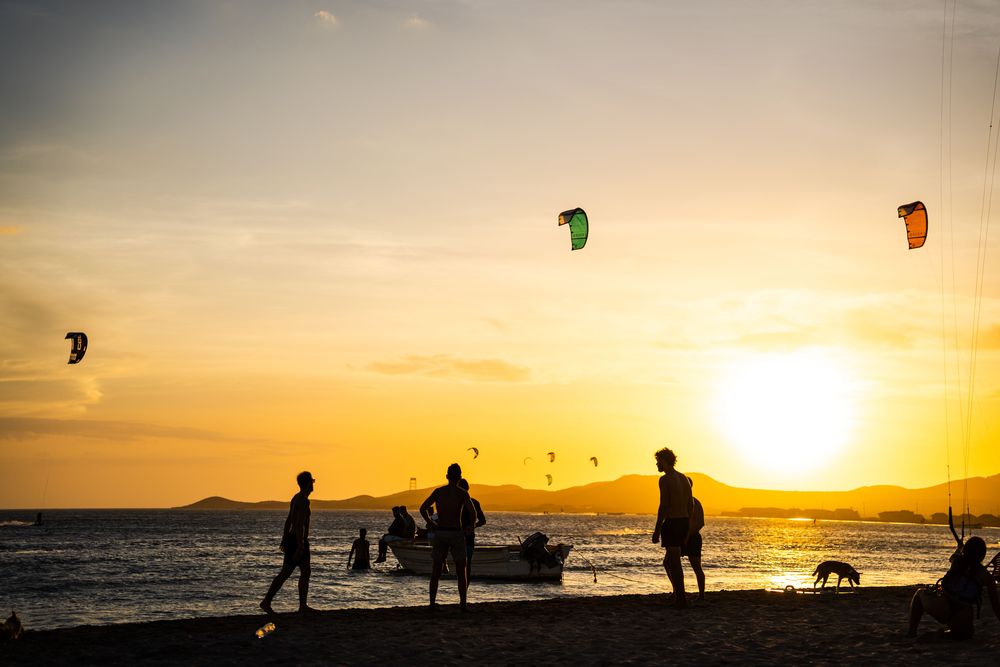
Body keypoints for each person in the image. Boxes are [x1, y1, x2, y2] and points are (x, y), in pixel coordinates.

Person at [908, 536, 1000, 639]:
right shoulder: (986, 576)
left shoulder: (957, 560)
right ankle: (946, 634)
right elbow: (996, 606)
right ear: (982, 555)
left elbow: (954, 556)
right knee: (967, 633)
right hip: (963, 616)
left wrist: (959, 546)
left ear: (966, 550)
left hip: (942, 607)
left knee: (919, 593)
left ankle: (912, 632)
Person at [420, 463, 476, 610]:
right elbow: (473, 512)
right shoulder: (462, 493)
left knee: (436, 570)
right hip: (456, 532)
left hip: (441, 532)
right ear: (460, 478)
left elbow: (423, 508)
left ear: (446, 476)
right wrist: (470, 526)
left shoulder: (439, 492)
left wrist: (430, 523)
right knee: (461, 570)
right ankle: (463, 603)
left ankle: (432, 603)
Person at [261, 471, 316, 614]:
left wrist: (284, 538)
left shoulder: (296, 498)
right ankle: (267, 601)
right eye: (312, 482)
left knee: (305, 571)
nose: (314, 485)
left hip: (293, 539)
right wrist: (300, 545)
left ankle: (302, 605)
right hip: (298, 541)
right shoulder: (303, 500)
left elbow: (288, 520)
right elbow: (298, 524)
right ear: (308, 484)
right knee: (286, 573)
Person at [650, 447, 693, 608]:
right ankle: (677, 594)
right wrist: (687, 525)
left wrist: (657, 530)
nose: (656, 465)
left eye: (658, 461)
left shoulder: (665, 480)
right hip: (683, 522)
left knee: (674, 562)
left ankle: (681, 598)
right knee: (669, 561)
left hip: (673, 522)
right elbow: (691, 504)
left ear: (664, 461)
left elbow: (664, 506)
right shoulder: (684, 478)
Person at [457, 478, 487, 588]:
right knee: (464, 564)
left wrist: (472, 526)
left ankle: (465, 588)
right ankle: (464, 588)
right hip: (460, 537)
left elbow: (483, 520)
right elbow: (483, 521)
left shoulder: (473, 503)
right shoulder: (461, 503)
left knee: (465, 564)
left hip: (466, 538)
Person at [683, 476, 706, 600]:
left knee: (696, 566)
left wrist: (688, 535)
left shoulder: (695, 502)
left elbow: (700, 522)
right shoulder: (679, 501)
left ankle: (701, 594)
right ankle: (677, 591)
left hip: (693, 537)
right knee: (668, 563)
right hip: (680, 537)